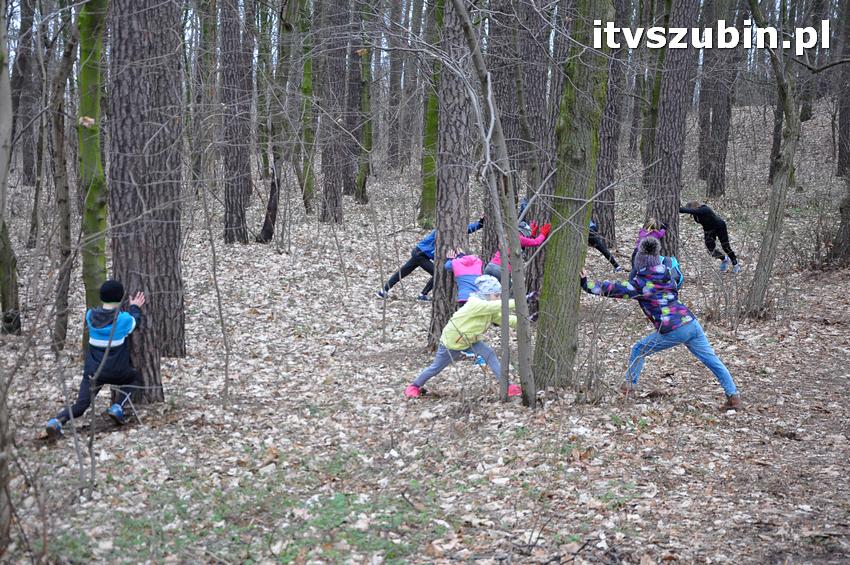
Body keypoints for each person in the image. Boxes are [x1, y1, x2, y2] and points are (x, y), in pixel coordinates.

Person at [580, 237, 741, 410]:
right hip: (691, 322)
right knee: (712, 360)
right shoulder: (668, 275)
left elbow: (612, 289)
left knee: (639, 349)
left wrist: (586, 283)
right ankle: (733, 396)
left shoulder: (640, 285)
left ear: (639, 264)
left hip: (674, 329)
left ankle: (628, 388)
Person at [46, 280, 146, 440]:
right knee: (135, 378)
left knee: (80, 406)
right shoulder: (123, 320)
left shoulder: (90, 316)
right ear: (121, 299)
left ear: (101, 297)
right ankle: (117, 407)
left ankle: (57, 421)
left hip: (93, 373)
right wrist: (135, 306)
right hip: (118, 372)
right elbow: (136, 320)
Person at [404, 275, 522, 398]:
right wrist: (521, 301)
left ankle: (507, 386)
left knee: (489, 354)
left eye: (499, 295)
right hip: (452, 343)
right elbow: (497, 306)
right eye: (496, 295)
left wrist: (526, 320)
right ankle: (414, 386)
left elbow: (505, 319)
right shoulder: (476, 304)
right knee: (436, 368)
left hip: (470, 341)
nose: (499, 298)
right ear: (486, 294)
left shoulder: (489, 309)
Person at [376, 218, 484, 301]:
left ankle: (384, 290)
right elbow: (463, 230)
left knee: (404, 271)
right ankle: (422, 294)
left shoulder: (450, 230)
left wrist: (480, 224)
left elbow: (464, 230)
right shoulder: (441, 231)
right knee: (436, 273)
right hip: (420, 254)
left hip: (420, 253)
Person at [679, 201, 741, 273]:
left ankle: (735, 264)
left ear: (695, 207)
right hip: (708, 230)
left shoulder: (705, 209)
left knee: (725, 246)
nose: (691, 213)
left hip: (719, 226)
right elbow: (691, 211)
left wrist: (678, 208)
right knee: (710, 250)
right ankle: (724, 259)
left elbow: (689, 211)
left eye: (691, 210)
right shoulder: (695, 215)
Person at [483, 222, 551, 282]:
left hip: (490, 266)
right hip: (501, 270)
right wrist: (543, 234)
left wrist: (531, 235)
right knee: (507, 294)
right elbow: (536, 242)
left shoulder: (508, 237)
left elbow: (523, 243)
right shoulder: (519, 238)